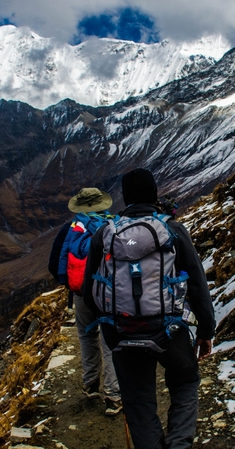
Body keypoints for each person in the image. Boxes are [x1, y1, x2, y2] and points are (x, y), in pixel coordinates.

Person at [83, 168, 215, 449]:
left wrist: (110, 328)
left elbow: (89, 292)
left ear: (125, 198)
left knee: (138, 402)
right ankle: (179, 444)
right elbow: (196, 281)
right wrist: (206, 329)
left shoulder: (105, 234)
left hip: (122, 332)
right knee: (185, 382)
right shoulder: (172, 230)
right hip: (169, 330)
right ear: (155, 195)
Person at [48, 187, 123, 416]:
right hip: (109, 294)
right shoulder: (115, 225)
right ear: (103, 204)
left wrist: (72, 283)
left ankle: (90, 385)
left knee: (86, 335)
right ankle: (113, 395)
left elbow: (54, 263)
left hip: (82, 293)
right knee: (110, 340)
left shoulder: (71, 229)